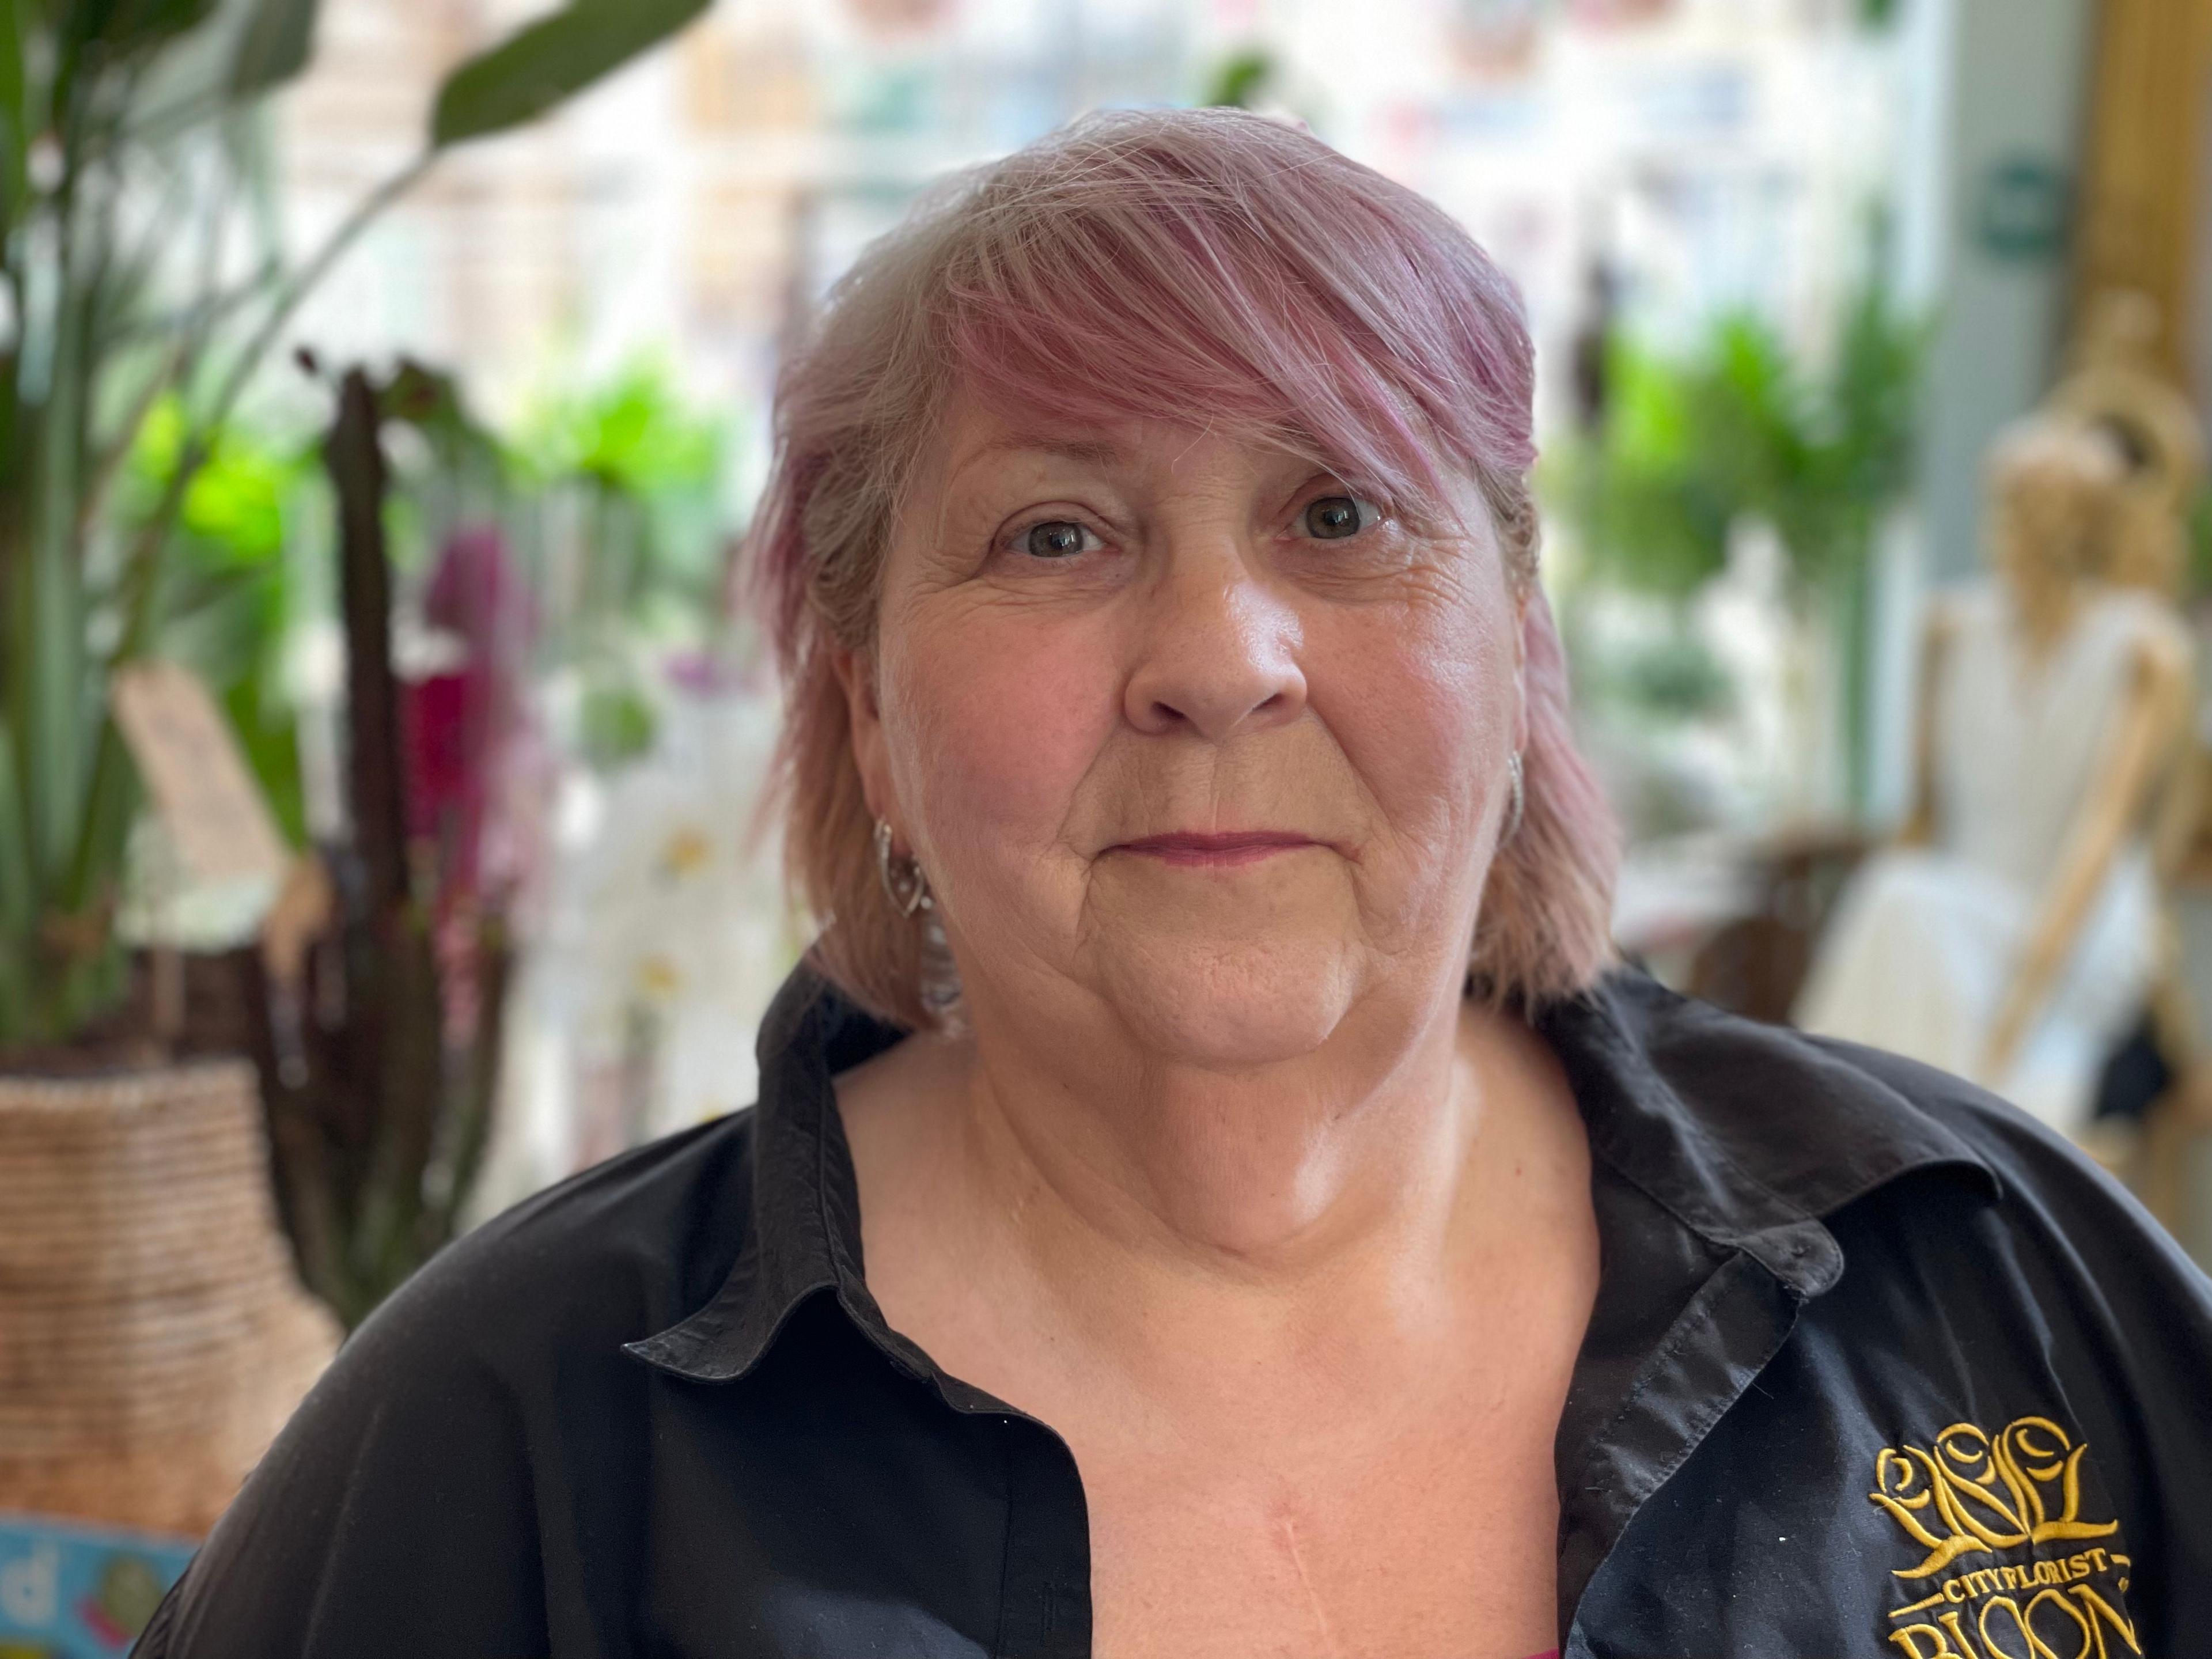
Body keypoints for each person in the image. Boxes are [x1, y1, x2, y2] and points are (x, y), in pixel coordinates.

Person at [135, 108, 2212, 1659]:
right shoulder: (516, 1441)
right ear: (867, 715)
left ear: (1523, 655)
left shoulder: (1994, 1281)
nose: (1222, 656)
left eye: (1340, 509)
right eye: (1055, 533)